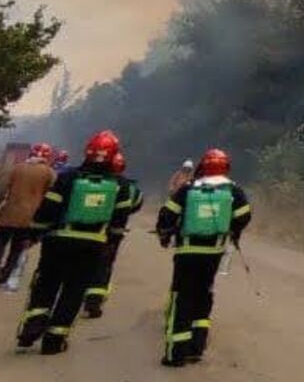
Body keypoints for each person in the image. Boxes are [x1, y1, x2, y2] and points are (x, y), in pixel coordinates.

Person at [15, 130, 126, 355]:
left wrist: (34, 233)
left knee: (46, 283)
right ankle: (54, 341)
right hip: (92, 245)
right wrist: (111, 244)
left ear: (88, 151)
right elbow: (118, 222)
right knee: (74, 291)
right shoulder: (119, 186)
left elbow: (48, 208)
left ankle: (32, 326)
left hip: (58, 241)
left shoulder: (67, 177)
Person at [154, 148, 252, 367]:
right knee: (204, 294)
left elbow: (167, 214)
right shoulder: (233, 190)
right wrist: (231, 230)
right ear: (226, 167)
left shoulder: (188, 188)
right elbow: (244, 216)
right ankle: (196, 347)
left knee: (182, 297)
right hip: (214, 253)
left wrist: (165, 234)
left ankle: (175, 354)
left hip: (187, 251)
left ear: (202, 167)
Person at [82, 149, 145, 318]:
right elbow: (135, 204)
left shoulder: (85, 179)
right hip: (109, 234)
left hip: (82, 229)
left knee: (82, 264)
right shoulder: (126, 186)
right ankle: (94, 301)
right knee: (103, 266)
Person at [0, 142, 55, 289]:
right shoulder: (50, 174)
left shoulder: (16, 168)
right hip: (30, 219)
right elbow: (52, 198)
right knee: (17, 249)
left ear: (31, 153)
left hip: (8, 215)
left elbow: (1, 190)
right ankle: (4, 275)